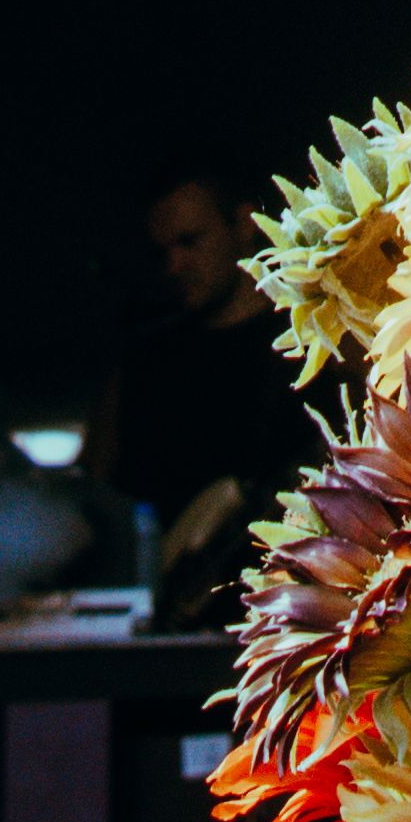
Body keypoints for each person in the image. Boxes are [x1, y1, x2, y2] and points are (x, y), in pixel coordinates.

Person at [81, 159, 313, 619]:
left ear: (246, 224)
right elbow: (92, 499)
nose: (174, 265)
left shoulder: (305, 345)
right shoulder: (143, 361)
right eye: (161, 252)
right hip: (161, 628)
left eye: (190, 242)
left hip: (278, 623)